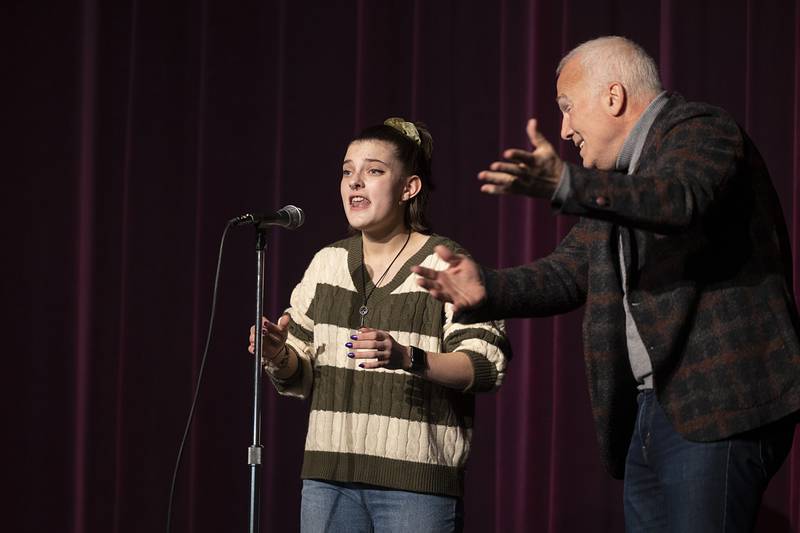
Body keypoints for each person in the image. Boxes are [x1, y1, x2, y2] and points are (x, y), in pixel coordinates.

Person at [412, 36, 800, 532]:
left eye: (569, 109)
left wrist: (567, 185)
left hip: (718, 406)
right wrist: (488, 288)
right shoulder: (621, 185)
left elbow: (679, 198)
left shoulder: (701, 129)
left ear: (613, 97)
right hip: (650, 414)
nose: (565, 128)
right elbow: (569, 270)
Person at [248, 118, 510, 532]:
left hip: (416, 485)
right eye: (347, 172)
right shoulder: (327, 263)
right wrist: (279, 354)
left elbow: (485, 366)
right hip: (328, 479)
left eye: (373, 171)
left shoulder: (446, 262)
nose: (355, 183)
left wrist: (407, 357)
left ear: (409, 188)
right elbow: (299, 378)